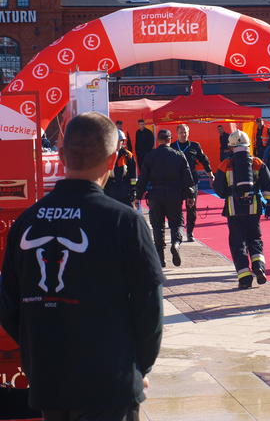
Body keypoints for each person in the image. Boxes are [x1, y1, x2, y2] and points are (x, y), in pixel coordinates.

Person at [0, 112, 163, 421]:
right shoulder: (124, 221)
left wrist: (40, 353)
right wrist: (139, 367)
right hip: (109, 383)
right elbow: (149, 307)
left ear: (62, 156)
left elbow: (8, 304)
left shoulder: (26, 222)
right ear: (113, 159)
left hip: (50, 383)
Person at [213, 130, 270, 289]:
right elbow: (268, 185)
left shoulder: (225, 164)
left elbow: (219, 190)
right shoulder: (257, 163)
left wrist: (230, 192)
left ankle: (245, 278)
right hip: (253, 208)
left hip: (234, 210)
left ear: (231, 147)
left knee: (237, 243)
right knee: (255, 239)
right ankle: (259, 267)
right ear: (248, 146)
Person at [135, 129, 195, 267]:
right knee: (177, 223)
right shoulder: (178, 155)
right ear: (170, 139)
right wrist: (190, 195)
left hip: (155, 195)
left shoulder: (150, 156)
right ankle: (175, 244)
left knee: (157, 226)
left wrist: (138, 196)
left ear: (158, 140)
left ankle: (160, 259)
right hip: (174, 195)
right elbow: (187, 178)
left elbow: (143, 178)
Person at [170, 124, 215, 242]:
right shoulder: (172, 147)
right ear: (177, 133)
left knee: (191, 208)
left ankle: (190, 232)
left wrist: (210, 175)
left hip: (192, 182)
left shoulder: (195, 146)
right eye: (181, 132)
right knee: (176, 208)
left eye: (185, 132)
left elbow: (204, 160)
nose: (183, 134)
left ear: (188, 133)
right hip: (177, 182)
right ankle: (178, 231)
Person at [104, 129, 137, 206]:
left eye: (120, 141)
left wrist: (133, 190)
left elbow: (133, 176)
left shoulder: (128, 155)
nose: (118, 143)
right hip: (109, 192)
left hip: (124, 193)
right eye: (116, 141)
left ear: (123, 141)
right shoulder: (105, 155)